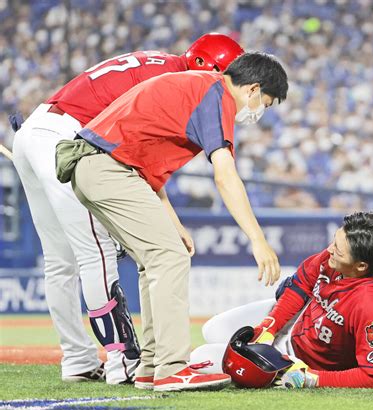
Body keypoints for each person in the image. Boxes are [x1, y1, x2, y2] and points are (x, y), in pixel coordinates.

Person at [11, 33, 244, 384]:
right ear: (205, 67)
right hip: (67, 139)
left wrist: (171, 219)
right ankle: (123, 361)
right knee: (97, 252)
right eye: (225, 76)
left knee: (60, 262)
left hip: (37, 130)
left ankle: (77, 358)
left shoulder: (160, 64)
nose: (228, 89)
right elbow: (135, 157)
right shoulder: (184, 82)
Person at [56, 51, 288, 391]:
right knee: (168, 258)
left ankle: (151, 367)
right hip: (107, 167)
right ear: (253, 89)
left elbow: (145, 164)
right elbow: (224, 175)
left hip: (99, 166)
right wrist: (257, 238)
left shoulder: (197, 87)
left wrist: (173, 223)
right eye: (264, 103)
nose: (259, 112)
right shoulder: (216, 95)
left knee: (157, 260)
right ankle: (172, 368)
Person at [191, 212, 373, 389]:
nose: (329, 251)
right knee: (212, 329)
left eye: (338, 250)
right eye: (334, 241)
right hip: (295, 321)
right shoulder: (337, 257)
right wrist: (269, 327)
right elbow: (300, 285)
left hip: (297, 360)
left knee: (199, 357)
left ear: (361, 266)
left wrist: (311, 378)